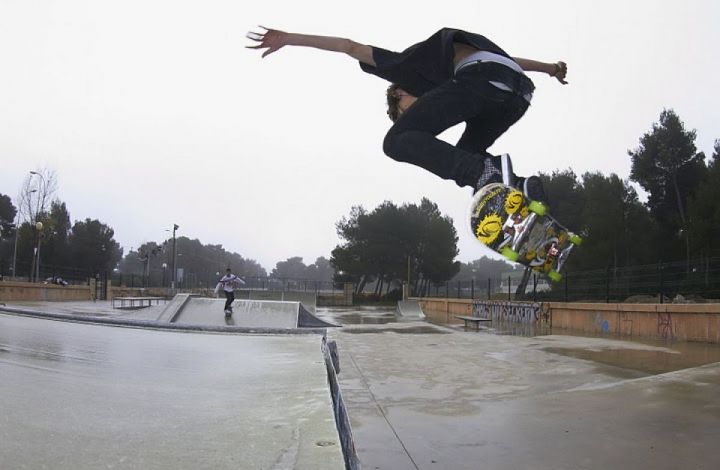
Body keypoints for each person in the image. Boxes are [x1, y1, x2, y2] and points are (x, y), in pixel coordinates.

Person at [246, 26, 568, 203]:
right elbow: (509, 61)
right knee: (466, 154)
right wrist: (550, 69)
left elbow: (349, 46)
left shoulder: (402, 67)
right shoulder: (455, 86)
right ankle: (519, 186)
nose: (414, 116)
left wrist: (288, 39)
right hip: (516, 94)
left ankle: (485, 173)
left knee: (397, 141)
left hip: (484, 79)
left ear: (399, 92)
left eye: (404, 111)